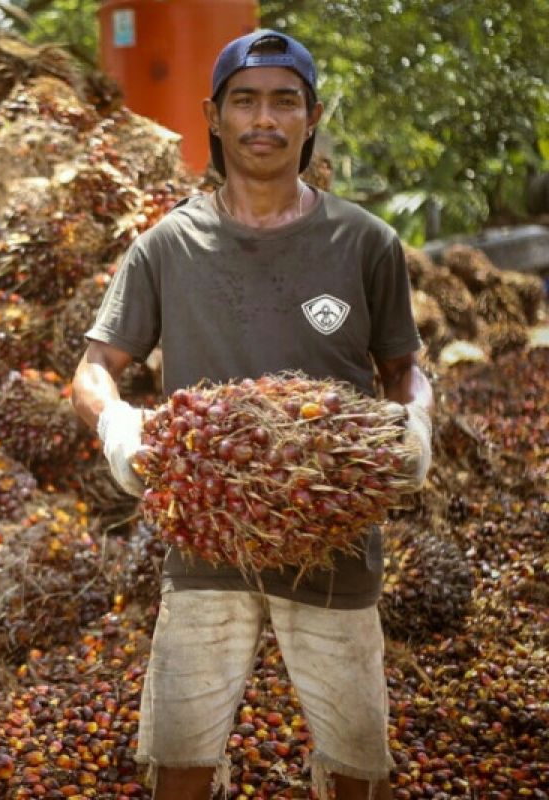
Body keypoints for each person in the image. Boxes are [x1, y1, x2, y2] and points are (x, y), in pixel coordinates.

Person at [71, 29, 434, 800]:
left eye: (284, 101)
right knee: (179, 754)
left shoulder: (366, 242)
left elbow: (405, 371)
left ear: (312, 115)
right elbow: (96, 368)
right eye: (245, 101)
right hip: (205, 538)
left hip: (333, 533)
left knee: (356, 759)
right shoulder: (168, 246)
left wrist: (416, 425)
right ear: (213, 114)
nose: (263, 119)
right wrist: (119, 426)